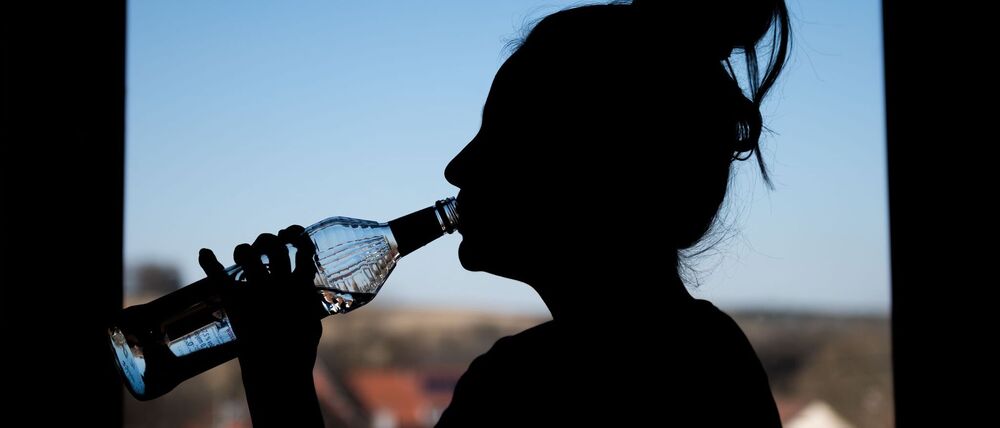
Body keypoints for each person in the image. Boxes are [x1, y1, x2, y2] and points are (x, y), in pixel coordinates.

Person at [201, 0, 791, 425]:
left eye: (498, 138)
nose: (457, 168)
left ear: (587, 172)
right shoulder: (711, 355)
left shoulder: (527, 389)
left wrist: (277, 382)